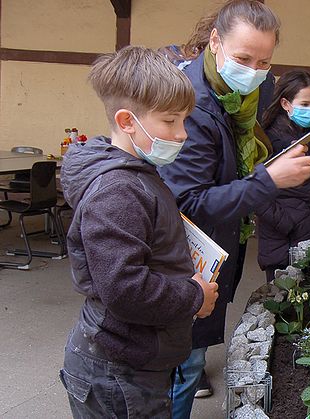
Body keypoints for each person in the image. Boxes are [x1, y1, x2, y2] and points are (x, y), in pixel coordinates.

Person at [157, 1, 310, 417]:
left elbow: (224, 172)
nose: (254, 70)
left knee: (187, 362)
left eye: (264, 61)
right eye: (244, 58)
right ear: (214, 41)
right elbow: (189, 202)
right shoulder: (192, 106)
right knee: (181, 369)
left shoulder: (240, 96)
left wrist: (264, 171)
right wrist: (268, 181)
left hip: (213, 252)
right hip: (184, 258)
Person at [58, 46, 219, 418]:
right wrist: (193, 295)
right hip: (118, 370)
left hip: (132, 361)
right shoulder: (119, 190)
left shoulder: (137, 174)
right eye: (169, 121)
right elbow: (124, 288)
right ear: (127, 121)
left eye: (185, 121)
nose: (181, 134)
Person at [257, 70, 310, 281]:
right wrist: (287, 222)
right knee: (280, 304)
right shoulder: (266, 140)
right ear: (286, 104)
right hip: (280, 241)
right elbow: (256, 191)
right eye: (304, 104)